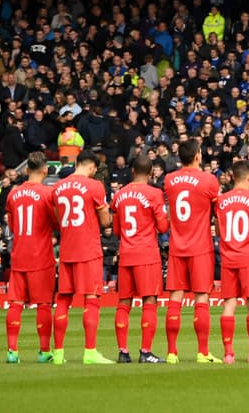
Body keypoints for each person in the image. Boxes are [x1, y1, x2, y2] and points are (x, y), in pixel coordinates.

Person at [51, 150, 114, 364]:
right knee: (91, 299)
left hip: (67, 249)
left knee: (63, 300)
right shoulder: (95, 186)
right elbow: (105, 221)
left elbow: (59, 219)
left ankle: (58, 354)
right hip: (88, 249)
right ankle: (90, 352)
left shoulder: (58, 187)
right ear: (93, 167)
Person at [164, 138, 222, 364]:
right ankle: (203, 352)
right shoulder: (209, 180)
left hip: (177, 247)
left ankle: (171, 352)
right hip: (200, 247)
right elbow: (217, 212)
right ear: (198, 155)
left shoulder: (169, 180)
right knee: (201, 298)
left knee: (175, 298)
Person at [111, 154, 168, 363]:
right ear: (151, 172)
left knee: (123, 304)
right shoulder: (154, 193)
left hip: (126, 254)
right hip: (147, 253)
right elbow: (163, 227)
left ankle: (123, 352)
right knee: (149, 301)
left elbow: (116, 230)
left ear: (132, 171)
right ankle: (145, 352)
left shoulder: (119, 195)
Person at [4, 152, 55, 364]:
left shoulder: (12, 194)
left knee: (15, 304)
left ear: (26, 170)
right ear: (45, 170)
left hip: (19, 254)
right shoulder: (48, 193)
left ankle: (12, 351)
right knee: (43, 305)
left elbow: (13, 226)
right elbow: (57, 223)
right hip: (40, 256)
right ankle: (44, 351)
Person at [217, 160, 249, 364]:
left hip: (228, 256)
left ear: (232, 177)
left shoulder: (220, 200)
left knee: (229, 304)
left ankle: (228, 353)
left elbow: (218, 229)